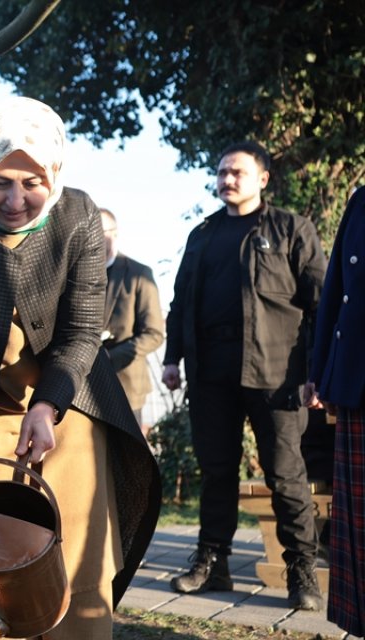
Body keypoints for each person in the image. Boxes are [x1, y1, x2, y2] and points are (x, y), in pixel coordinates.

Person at [0, 97, 160, 639]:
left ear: (54, 174)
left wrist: (47, 407)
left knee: (78, 551)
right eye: (1, 181)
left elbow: (81, 332)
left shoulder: (77, 217)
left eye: (33, 183)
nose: (16, 200)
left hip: (66, 401)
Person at [162, 141, 327, 610]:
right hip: (211, 371)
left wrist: (317, 373)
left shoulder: (293, 229)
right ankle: (213, 564)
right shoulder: (201, 235)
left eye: (237, 171)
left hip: (278, 373)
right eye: (221, 172)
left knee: (286, 473)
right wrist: (173, 359)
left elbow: (319, 305)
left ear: (263, 178)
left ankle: (301, 572)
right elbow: (179, 304)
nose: (227, 179)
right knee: (216, 471)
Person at [307, 186, 364, 635]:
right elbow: (336, 292)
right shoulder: (361, 200)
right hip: (357, 380)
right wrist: (319, 369)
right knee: (360, 530)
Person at [99, 208, 165, 431]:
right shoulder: (74, 273)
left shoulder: (138, 273)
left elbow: (154, 334)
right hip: (82, 387)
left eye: (102, 231)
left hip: (126, 384)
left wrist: (109, 358)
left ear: (115, 234)